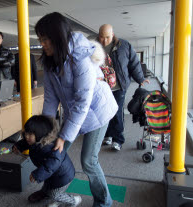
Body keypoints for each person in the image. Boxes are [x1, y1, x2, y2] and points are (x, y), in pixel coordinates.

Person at [35, 12, 118, 207]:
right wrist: (46, 129)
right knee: (56, 151)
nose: (42, 44)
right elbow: (50, 98)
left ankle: (104, 202)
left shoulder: (80, 58)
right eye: (40, 40)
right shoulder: (50, 60)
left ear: (57, 37)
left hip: (97, 111)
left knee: (88, 160)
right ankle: (49, 191)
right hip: (76, 112)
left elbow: (83, 102)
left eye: (45, 39)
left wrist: (64, 136)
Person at [98, 24, 149, 151]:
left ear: (113, 34)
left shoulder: (124, 46)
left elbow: (133, 63)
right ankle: (108, 135)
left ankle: (118, 139)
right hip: (102, 87)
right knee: (104, 112)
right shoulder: (94, 46)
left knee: (117, 112)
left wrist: (140, 79)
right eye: (101, 37)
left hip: (119, 86)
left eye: (107, 37)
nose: (104, 41)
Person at [13, 115, 81, 207]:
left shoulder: (51, 147)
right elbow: (25, 142)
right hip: (51, 174)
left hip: (62, 177)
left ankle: (73, 200)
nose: (26, 136)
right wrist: (18, 146)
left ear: (40, 134)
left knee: (55, 194)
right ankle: (45, 193)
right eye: (26, 133)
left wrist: (37, 174)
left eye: (30, 134)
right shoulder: (35, 140)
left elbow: (51, 165)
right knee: (47, 185)